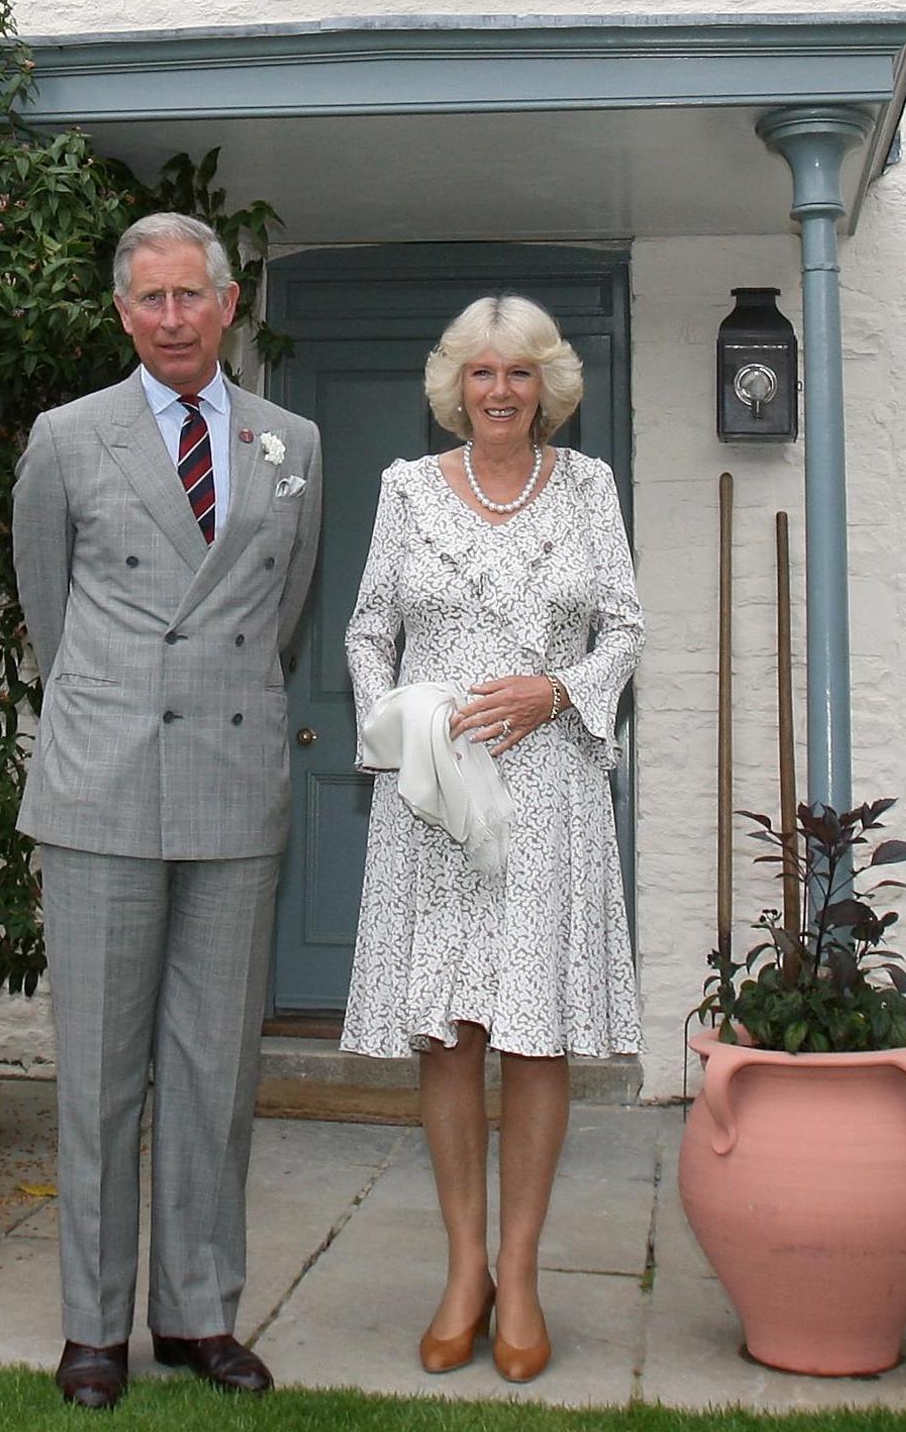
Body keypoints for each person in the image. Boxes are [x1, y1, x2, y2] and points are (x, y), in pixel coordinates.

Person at [11, 211, 323, 1411]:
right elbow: (50, 604)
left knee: (211, 1071)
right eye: (152, 299)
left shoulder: (290, 440)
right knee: (97, 1075)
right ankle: (93, 1327)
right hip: (101, 786)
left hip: (234, 790)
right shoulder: (66, 437)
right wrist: (117, 706)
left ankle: (199, 1313)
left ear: (229, 303)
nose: (174, 317)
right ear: (123, 313)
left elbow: (282, 609)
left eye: (194, 295)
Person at [339, 294, 644, 1383]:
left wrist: (557, 689)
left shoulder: (591, 486)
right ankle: (461, 1268)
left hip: (551, 788)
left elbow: (625, 625)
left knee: (533, 1031)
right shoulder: (406, 489)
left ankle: (519, 1275)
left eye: (519, 373)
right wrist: (397, 728)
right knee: (452, 1030)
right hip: (435, 800)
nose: (500, 391)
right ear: (454, 386)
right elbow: (369, 625)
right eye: (481, 373)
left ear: (547, 385)